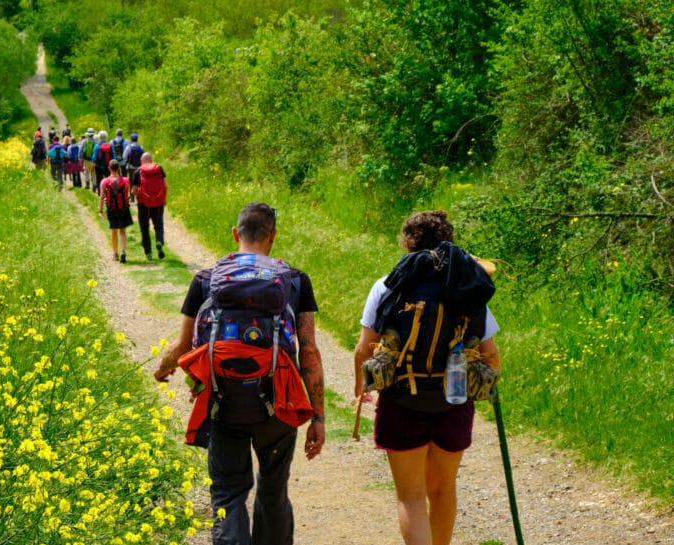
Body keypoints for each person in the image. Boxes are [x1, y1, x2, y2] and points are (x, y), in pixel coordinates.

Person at [154, 203, 326, 545]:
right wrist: (317, 416)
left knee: (229, 493)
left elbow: (181, 345)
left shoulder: (206, 281)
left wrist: (163, 368)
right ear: (272, 236)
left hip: (223, 402)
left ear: (236, 234)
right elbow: (308, 352)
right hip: (279, 405)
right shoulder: (294, 281)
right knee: (274, 489)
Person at [352, 210, 501, 545]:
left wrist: (360, 388)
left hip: (402, 399)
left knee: (411, 497)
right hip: (455, 399)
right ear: (449, 243)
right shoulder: (469, 286)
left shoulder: (388, 284)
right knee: (443, 490)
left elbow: (364, 349)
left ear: (408, 243)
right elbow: (491, 354)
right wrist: (485, 386)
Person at [98, 160, 132, 262]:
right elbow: (128, 195)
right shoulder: (126, 180)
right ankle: (123, 251)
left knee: (114, 231)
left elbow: (101, 196)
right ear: (119, 168)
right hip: (123, 208)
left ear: (109, 168)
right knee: (122, 231)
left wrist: (100, 210)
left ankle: (115, 254)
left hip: (111, 209)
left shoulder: (104, 181)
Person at [135, 153, 166, 260]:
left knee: (144, 228)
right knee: (159, 225)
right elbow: (165, 185)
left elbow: (134, 191)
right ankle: (159, 241)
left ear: (141, 160)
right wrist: (163, 199)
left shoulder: (138, 171)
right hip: (158, 203)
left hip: (144, 204)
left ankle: (148, 252)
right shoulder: (159, 169)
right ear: (151, 159)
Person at [91, 130, 112, 195]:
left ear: (99, 137)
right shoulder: (110, 145)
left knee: (99, 179)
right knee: (108, 179)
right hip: (108, 166)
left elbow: (94, 158)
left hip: (98, 166)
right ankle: (108, 192)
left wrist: (93, 162)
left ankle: (100, 193)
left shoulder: (97, 146)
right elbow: (113, 155)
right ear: (106, 137)